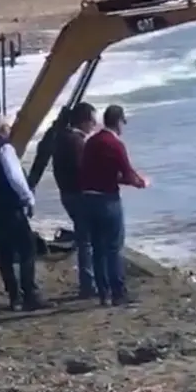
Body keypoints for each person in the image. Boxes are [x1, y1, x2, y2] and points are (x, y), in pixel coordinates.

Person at [0, 114, 49, 311]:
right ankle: (30, 294)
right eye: (7, 126)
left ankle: (14, 297)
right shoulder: (4, 148)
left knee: (5, 253)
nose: (10, 129)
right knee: (27, 248)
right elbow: (15, 177)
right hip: (9, 207)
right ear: (1, 129)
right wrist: (28, 199)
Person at [79, 105, 148, 306]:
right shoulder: (115, 144)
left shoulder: (91, 142)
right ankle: (118, 293)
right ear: (118, 122)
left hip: (88, 200)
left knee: (98, 248)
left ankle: (103, 293)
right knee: (113, 248)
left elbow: (88, 170)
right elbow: (127, 173)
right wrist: (140, 182)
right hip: (107, 200)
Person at [52, 102, 97, 299]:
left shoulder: (61, 137)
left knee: (84, 237)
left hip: (66, 193)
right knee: (87, 240)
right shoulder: (76, 141)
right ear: (84, 121)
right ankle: (89, 284)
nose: (95, 125)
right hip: (79, 195)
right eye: (93, 121)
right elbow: (84, 171)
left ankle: (89, 282)